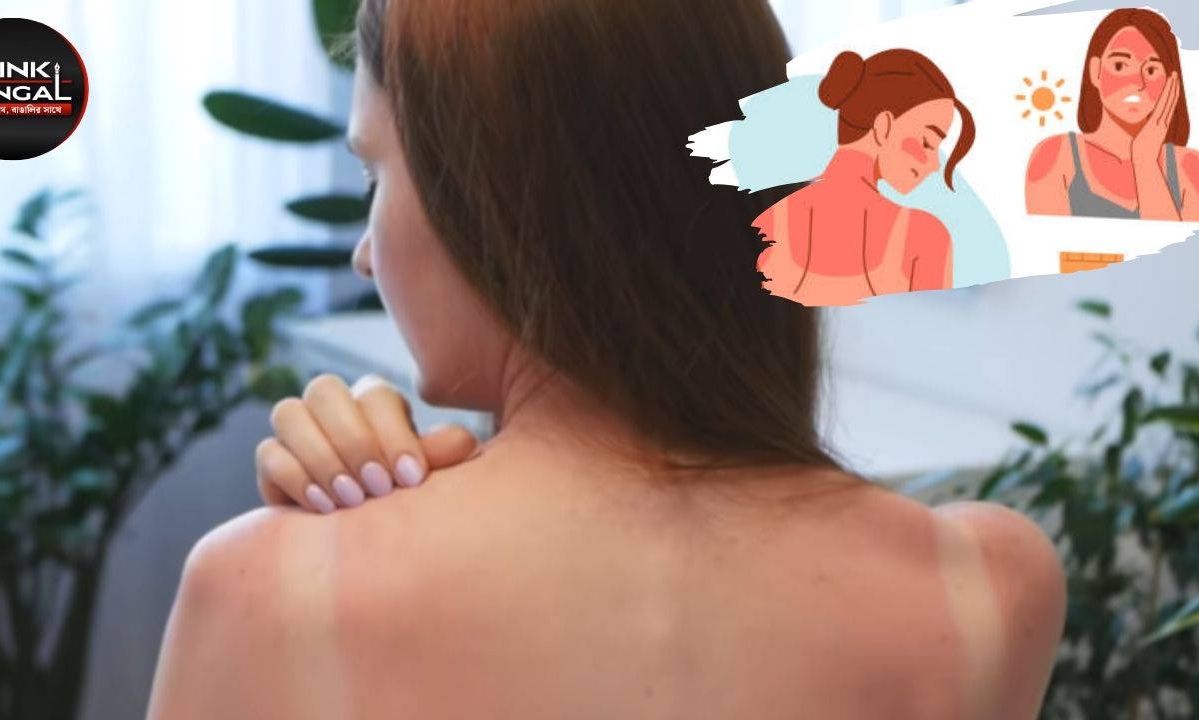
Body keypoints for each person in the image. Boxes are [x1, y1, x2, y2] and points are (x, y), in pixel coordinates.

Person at [147, 1, 1065, 718]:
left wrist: (319, 552)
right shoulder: (982, 588)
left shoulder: (270, 589)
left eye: (373, 173)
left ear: (494, 195)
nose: (363, 253)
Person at [755, 49, 975, 307]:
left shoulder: (770, 218)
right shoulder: (926, 237)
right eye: (927, 142)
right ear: (883, 127)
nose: (935, 164)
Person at [1026, 8, 1199, 222]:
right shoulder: (1054, 156)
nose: (1138, 83)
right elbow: (1046, 241)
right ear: (1095, 71)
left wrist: (1145, 160)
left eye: (1152, 70)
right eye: (1119, 66)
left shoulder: (1190, 167)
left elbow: (1176, 244)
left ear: (1171, 81)